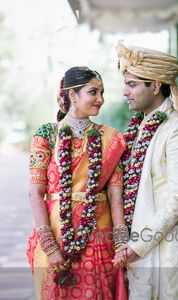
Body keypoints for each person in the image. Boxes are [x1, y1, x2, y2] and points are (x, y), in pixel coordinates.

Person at [113, 40, 178, 299]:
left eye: (132, 84)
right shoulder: (139, 127)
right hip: (139, 247)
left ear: (155, 86)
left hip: (168, 248)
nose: (125, 92)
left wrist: (139, 244)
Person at [26, 66, 128, 299]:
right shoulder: (48, 134)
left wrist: (121, 243)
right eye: (93, 92)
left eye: (102, 92)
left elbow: (115, 198)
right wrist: (49, 246)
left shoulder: (111, 139)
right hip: (56, 234)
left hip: (99, 236)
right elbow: (35, 192)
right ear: (73, 95)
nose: (100, 99)